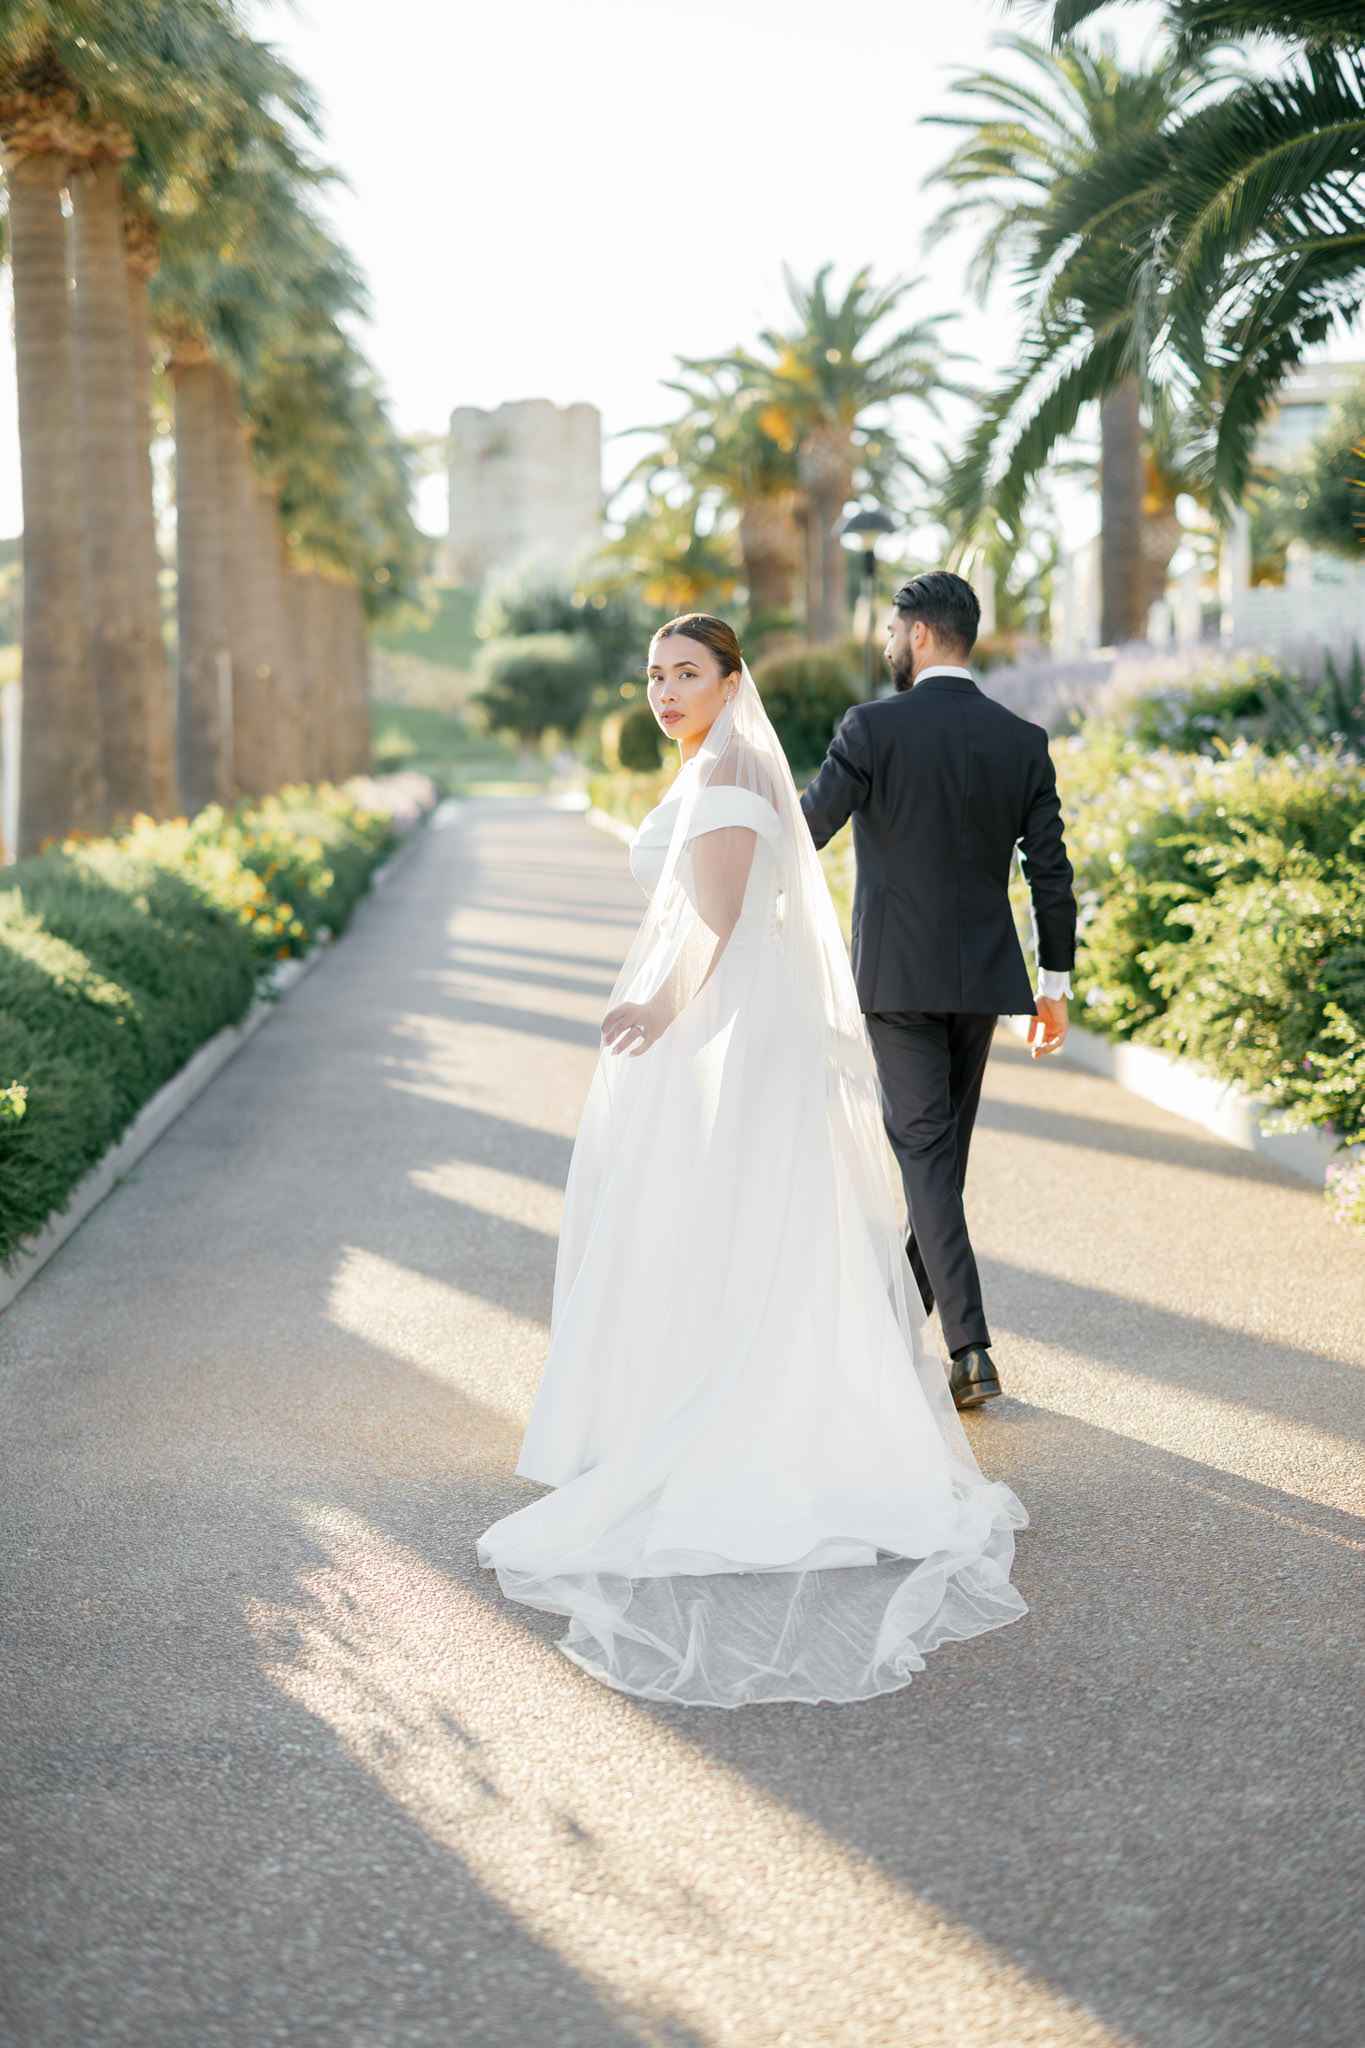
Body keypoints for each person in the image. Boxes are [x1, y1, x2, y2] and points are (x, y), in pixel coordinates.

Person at [477, 613, 1027, 1708]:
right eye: (654, 674)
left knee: (719, 1218)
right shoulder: (727, 762)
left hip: (721, 1034)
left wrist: (657, 1004)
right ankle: (726, 1397)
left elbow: (719, 919)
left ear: (734, 683)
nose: (665, 689)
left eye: (687, 673)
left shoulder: (727, 771)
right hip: (738, 1035)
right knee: (743, 1227)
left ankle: (729, 1422)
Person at [801, 571, 1077, 1412]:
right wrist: (1053, 985)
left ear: (919, 635)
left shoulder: (869, 728)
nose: (887, 643)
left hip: (893, 979)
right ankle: (895, 1326)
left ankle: (969, 1347)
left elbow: (806, 827)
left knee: (926, 1156)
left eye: (891, 630)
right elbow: (1050, 873)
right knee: (938, 1159)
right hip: (983, 980)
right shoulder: (1019, 738)